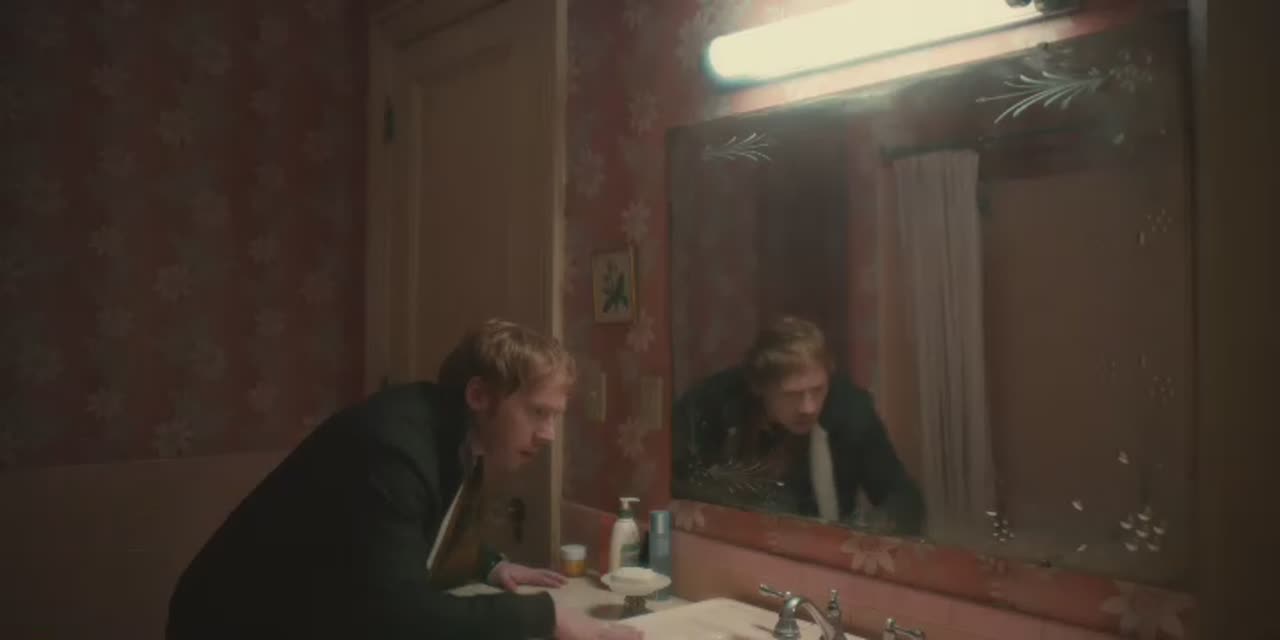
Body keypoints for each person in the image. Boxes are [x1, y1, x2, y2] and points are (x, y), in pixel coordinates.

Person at [166, 319, 642, 640]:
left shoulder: (449, 435)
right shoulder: (394, 448)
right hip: (233, 623)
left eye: (554, 417)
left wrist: (487, 564)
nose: (549, 435)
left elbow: (400, 534)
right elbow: (396, 616)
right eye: (538, 412)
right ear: (480, 395)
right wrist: (546, 616)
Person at [672, 316, 924, 535]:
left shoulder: (851, 410)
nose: (809, 408)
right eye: (791, 394)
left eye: (818, 389)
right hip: (734, 542)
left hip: (822, 549)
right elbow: (674, 476)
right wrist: (687, 499)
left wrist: (872, 526)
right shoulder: (714, 402)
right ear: (759, 387)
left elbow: (905, 498)